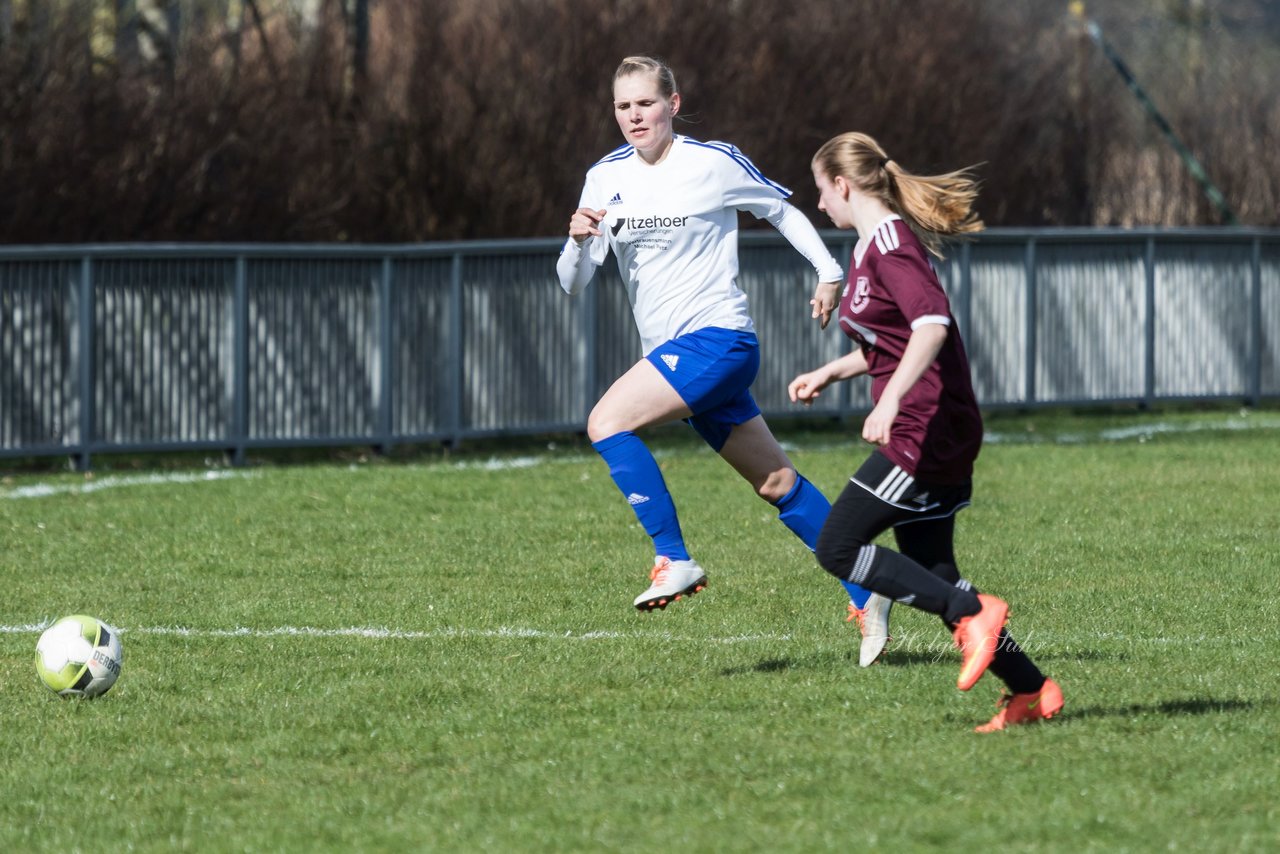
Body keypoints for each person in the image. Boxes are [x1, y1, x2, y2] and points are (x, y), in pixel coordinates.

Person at [555, 56, 889, 649]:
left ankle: (672, 558)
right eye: (624, 106)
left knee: (606, 422)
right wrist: (578, 242)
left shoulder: (712, 162)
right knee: (777, 483)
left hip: (719, 340)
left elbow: (781, 209)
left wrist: (829, 271)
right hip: (678, 355)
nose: (635, 116)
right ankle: (869, 586)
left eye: (646, 104)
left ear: (673, 104)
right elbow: (574, 282)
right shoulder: (604, 176)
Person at [787, 131, 1064, 731]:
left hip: (927, 425)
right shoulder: (866, 249)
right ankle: (1032, 690)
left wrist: (887, 402)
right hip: (927, 422)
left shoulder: (889, 244)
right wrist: (832, 372)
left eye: (819, 191)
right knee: (929, 567)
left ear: (843, 184)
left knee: (837, 546)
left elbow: (932, 326)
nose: (818, 205)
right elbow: (891, 341)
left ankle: (973, 612)